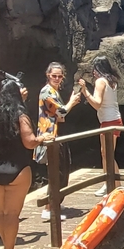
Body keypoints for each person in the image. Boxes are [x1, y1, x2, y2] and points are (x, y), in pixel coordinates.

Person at [0, 79, 53, 249]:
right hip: (17, 169)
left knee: (0, 213)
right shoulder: (21, 114)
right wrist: (42, 138)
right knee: (12, 214)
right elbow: (29, 141)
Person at [36, 62, 83, 221]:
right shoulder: (46, 92)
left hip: (58, 133)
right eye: (53, 76)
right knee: (56, 171)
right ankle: (49, 208)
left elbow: (61, 114)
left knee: (63, 168)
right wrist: (72, 102)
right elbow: (61, 111)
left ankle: (55, 201)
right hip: (50, 135)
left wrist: (69, 103)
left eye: (59, 76)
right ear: (48, 75)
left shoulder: (54, 91)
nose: (56, 78)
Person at [79, 56, 124, 196]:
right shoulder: (112, 81)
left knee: (107, 155)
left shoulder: (100, 81)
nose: (93, 72)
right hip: (115, 119)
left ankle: (115, 185)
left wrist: (85, 91)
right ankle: (110, 183)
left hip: (108, 122)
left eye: (94, 69)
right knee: (107, 154)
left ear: (98, 69)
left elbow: (97, 103)